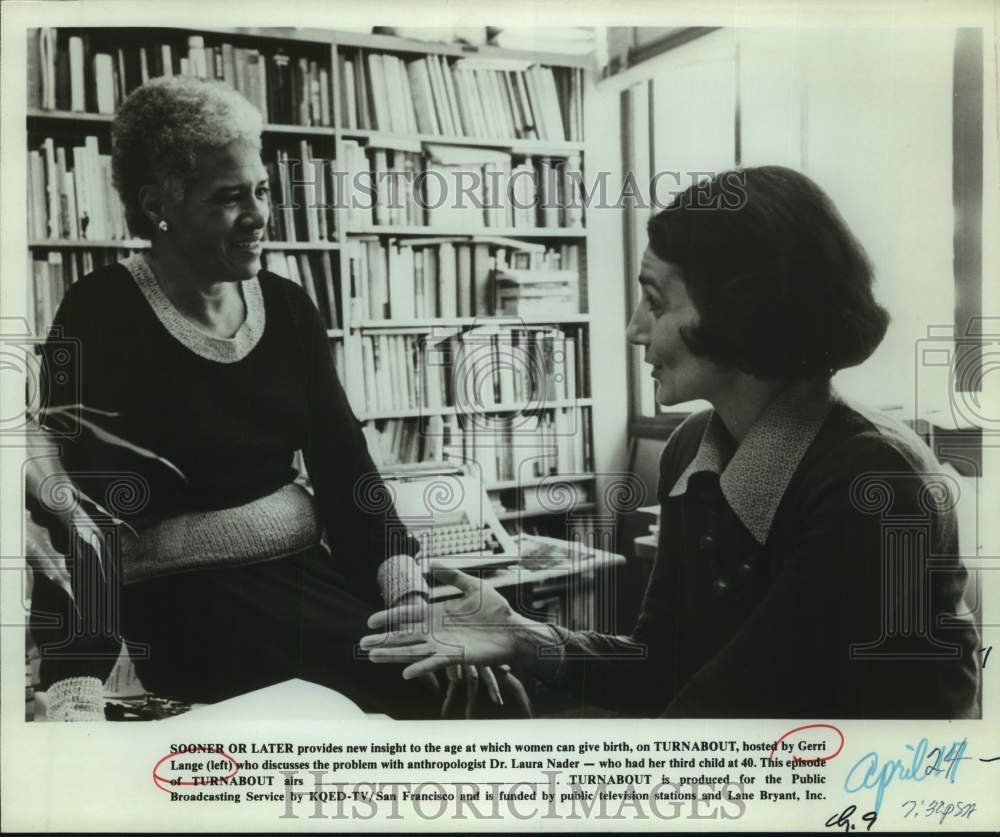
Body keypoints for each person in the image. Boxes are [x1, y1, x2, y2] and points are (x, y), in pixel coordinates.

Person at [362, 166, 982, 719]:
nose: (634, 329)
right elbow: (663, 666)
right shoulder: (692, 448)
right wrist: (526, 639)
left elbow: (724, 711)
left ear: (741, 311)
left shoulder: (873, 482)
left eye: (654, 301)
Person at [27, 76, 514, 721]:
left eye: (261, 191)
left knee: (468, 692)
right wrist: (72, 686)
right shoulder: (100, 312)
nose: (259, 217)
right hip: (192, 610)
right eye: (229, 199)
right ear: (157, 205)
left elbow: (348, 474)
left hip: (311, 581)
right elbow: (76, 509)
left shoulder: (288, 307)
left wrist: (408, 598)